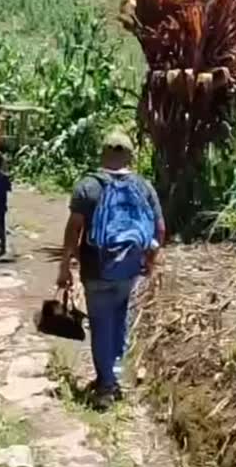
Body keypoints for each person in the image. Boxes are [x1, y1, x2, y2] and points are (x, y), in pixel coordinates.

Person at [57, 128, 165, 408]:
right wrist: (149, 261)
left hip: (96, 269)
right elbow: (159, 229)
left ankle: (106, 384)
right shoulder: (143, 187)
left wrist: (65, 267)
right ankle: (113, 371)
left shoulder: (88, 186)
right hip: (129, 268)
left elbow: (73, 230)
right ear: (130, 156)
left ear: (103, 153)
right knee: (119, 318)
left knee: (101, 323)